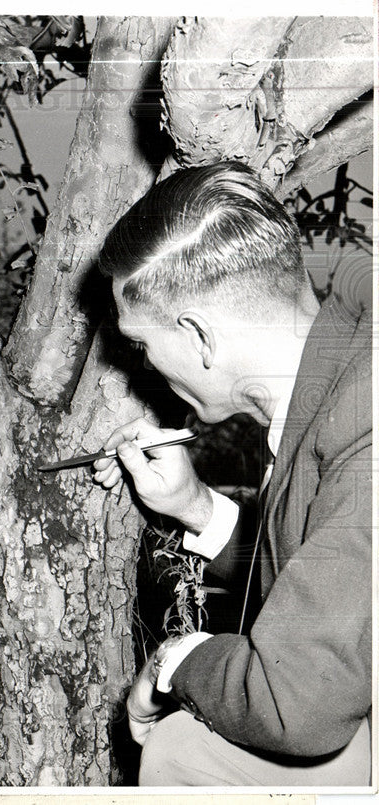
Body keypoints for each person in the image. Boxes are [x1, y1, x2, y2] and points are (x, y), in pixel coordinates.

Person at [92, 162, 371, 785]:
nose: (144, 364)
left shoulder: (363, 420)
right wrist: (195, 506)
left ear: (199, 336)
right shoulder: (336, 377)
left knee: (183, 751)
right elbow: (327, 574)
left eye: (141, 344)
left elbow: (293, 700)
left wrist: (176, 661)